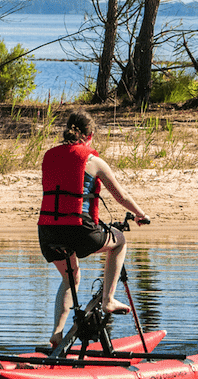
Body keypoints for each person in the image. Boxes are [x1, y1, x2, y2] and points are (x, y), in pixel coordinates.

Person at [37, 110, 150, 347]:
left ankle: (56, 334)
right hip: (79, 231)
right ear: (90, 136)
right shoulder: (93, 161)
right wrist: (140, 215)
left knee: (71, 278)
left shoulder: (49, 156)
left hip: (48, 232)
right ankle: (108, 299)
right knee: (119, 241)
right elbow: (122, 196)